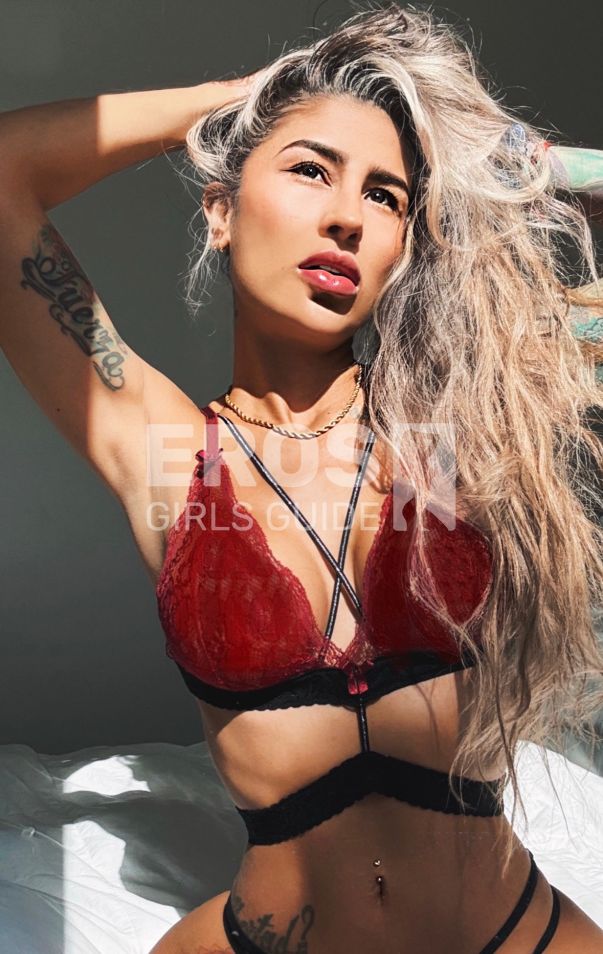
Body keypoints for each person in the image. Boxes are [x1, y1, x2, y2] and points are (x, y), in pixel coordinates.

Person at [2, 3, 603, 952]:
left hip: (513, 935)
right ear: (220, 210)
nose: (345, 216)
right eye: (309, 169)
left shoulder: (452, 430)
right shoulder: (165, 454)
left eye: (385, 196)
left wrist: (502, 159)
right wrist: (234, 101)